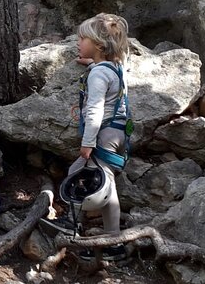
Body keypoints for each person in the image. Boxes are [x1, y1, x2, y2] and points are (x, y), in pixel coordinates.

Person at [40, 13, 131, 261]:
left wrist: (88, 142)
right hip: (119, 132)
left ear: (99, 45)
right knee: (101, 180)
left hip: (102, 134)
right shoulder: (114, 67)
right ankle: (107, 237)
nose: (78, 42)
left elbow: (95, 110)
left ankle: (84, 229)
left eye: (83, 38)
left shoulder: (98, 75)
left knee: (87, 177)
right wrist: (92, 64)